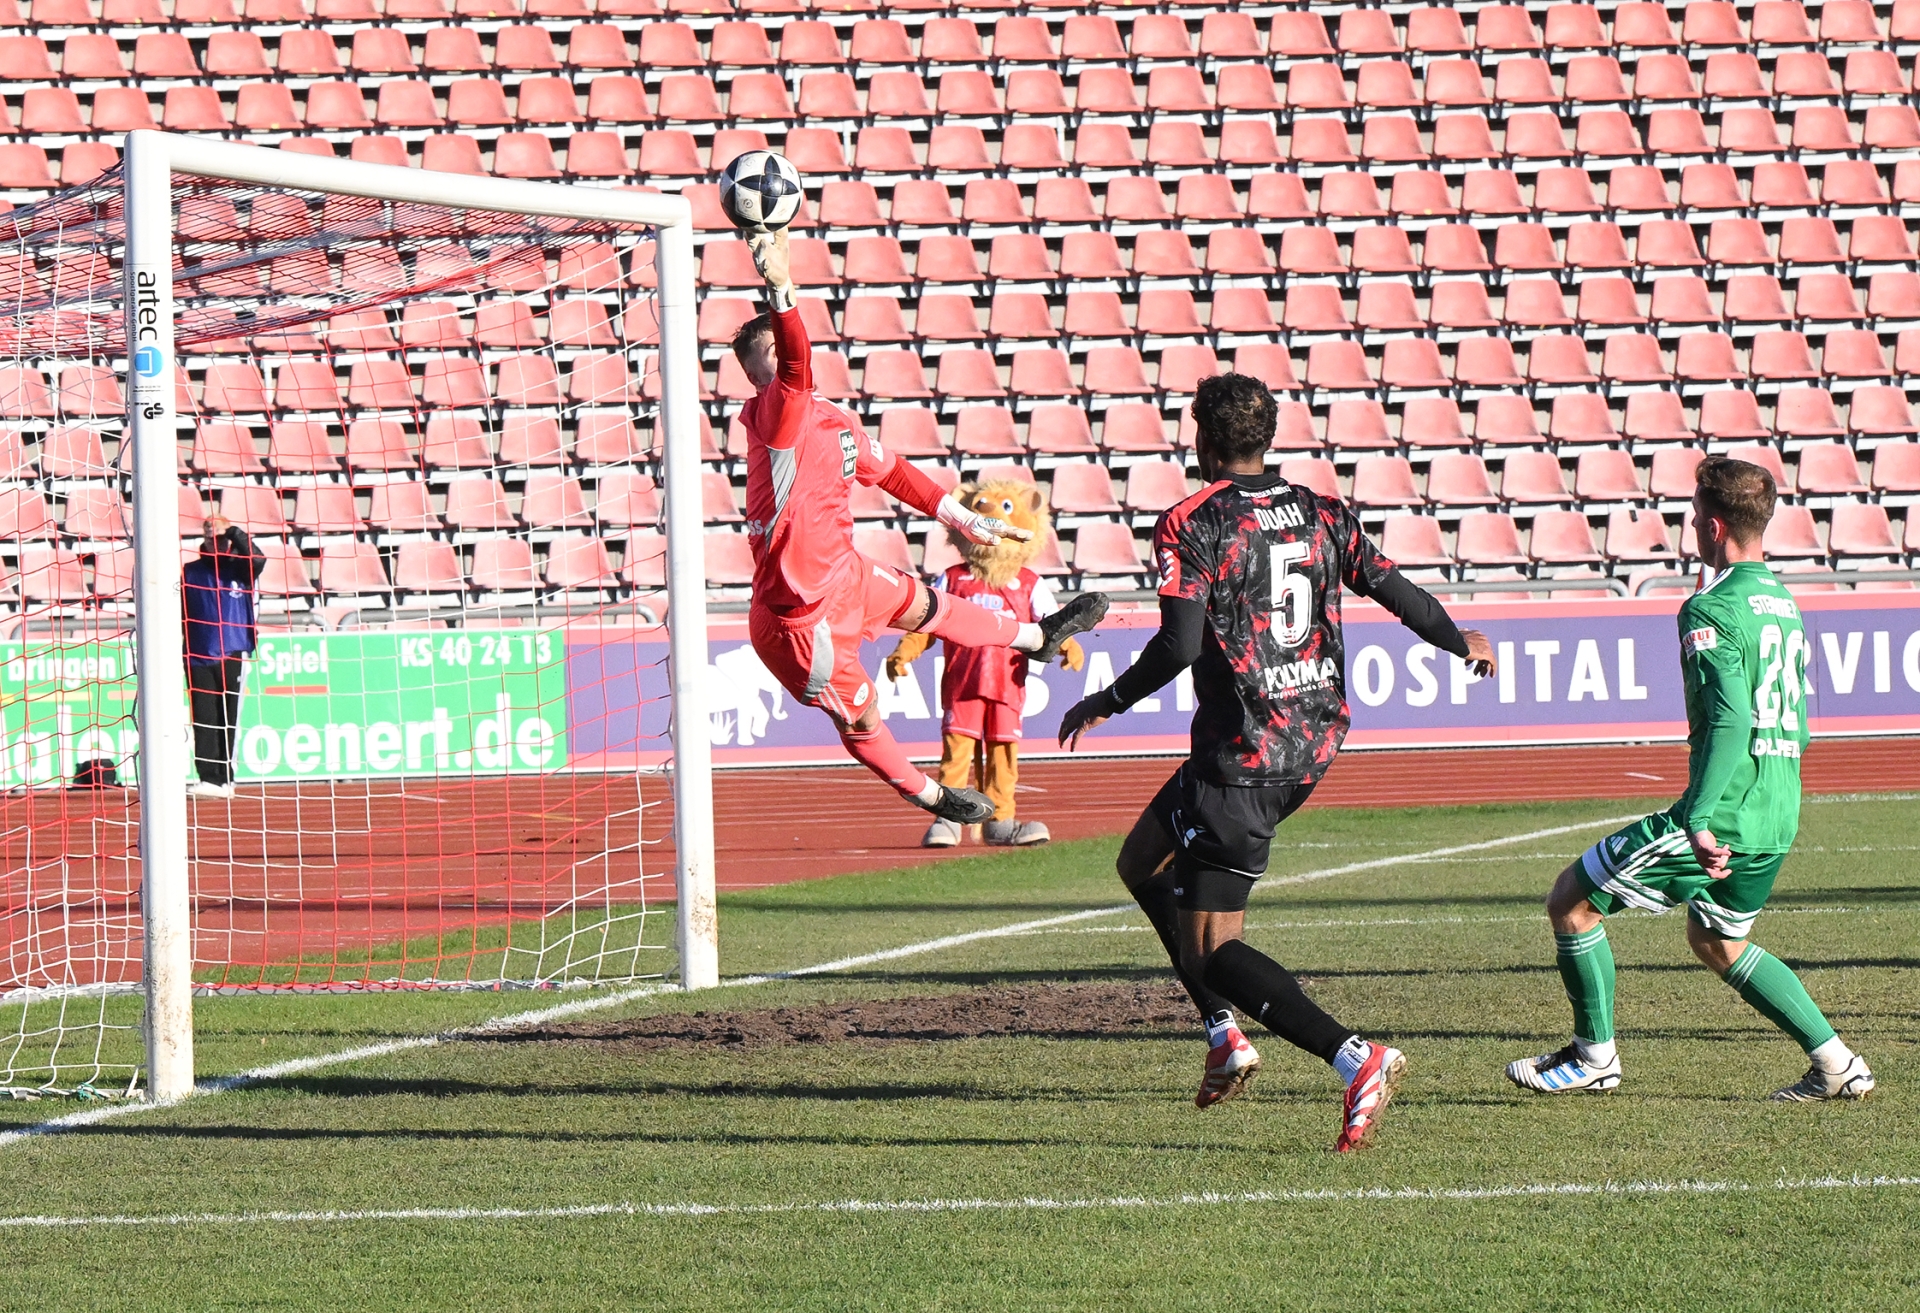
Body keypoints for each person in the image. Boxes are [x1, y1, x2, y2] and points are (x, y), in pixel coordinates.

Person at [1058, 373, 1497, 1152]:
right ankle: (1222, 1035)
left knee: (1214, 951)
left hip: (1242, 758)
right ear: (1266, 438)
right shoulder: (1322, 511)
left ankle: (1354, 1056)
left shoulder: (1191, 521)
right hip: (1312, 740)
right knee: (1139, 861)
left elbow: (1178, 645)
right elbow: (1394, 589)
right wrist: (1459, 640)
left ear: (1202, 440)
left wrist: (1107, 699)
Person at [1505, 457, 1873, 1102]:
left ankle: (1594, 1058)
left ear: (1713, 526)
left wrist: (1698, 818)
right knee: (1718, 941)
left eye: (1695, 516)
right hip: (1776, 809)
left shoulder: (1711, 607)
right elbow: (1796, 722)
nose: (1692, 526)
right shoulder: (1783, 604)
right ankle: (1837, 1063)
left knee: (1571, 901)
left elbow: (1730, 719)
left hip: (1722, 814)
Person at [734, 228, 1107, 824]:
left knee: (931, 605)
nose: (784, 361)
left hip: (845, 575)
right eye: (770, 359)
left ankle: (1038, 638)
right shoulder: (774, 416)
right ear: (758, 380)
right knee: (861, 716)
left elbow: (893, 472)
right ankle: (928, 794)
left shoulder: (832, 420)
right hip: (800, 619)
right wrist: (781, 288)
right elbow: (796, 363)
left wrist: (962, 517)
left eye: (782, 350)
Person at [182, 515, 264, 800]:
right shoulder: (189, 571)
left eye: (218, 535)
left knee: (229, 717)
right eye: (209, 535)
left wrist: (232, 531)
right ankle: (208, 777)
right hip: (198, 653)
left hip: (233, 650)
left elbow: (257, 558)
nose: (212, 539)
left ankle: (226, 778)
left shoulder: (241, 568)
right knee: (204, 718)